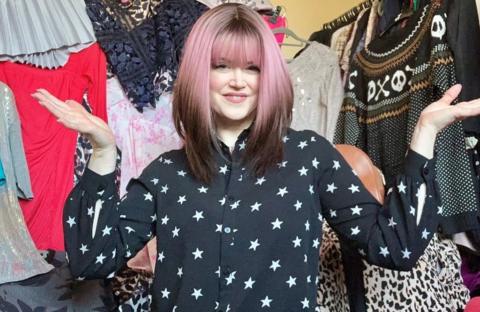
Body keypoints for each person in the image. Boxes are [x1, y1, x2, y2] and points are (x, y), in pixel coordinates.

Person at [32, 3, 480, 311]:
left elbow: (396, 247)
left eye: (253, 68)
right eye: (221, 65)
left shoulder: (309, 157)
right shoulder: (165, 174)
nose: (237, 81)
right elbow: (92, 260)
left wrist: (423, 136)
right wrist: (103, 152)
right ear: (196, 74)